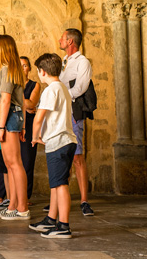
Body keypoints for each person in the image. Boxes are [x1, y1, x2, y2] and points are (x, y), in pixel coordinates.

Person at [29, 53, 78, 239]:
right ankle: (51, 219)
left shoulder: (50, 90)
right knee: (56, 183)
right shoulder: (62, 88)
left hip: (58, 141)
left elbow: (39, 117)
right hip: (67, 140)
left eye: (37, 72)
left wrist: (35, 136)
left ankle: (64, 225)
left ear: (42, 72)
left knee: (60, 184)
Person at [0, 35, 30, 221]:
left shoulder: (7, 69)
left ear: (3, 49)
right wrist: (22, 126)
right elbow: (21, 100)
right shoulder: (12, 70)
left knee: (15, 164)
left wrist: (1, 127)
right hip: (13, 116)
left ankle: (22, 208)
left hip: (8, 116)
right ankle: (12, 206)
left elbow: (6, 100)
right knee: (9, 165)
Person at [58, 28, 95, 216]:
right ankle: (60, 200)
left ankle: (84, 201)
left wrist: (62, 96)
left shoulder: (83, 62)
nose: (59, 40)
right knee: (62, 156)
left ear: (70, 41)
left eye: (62, 38)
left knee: (77, 157)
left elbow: (80, 87)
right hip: (60, 113)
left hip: (73, 111)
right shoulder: (64, 61)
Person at [20, 56, 41, 203]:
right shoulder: (13, 84)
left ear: (29, 69)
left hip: (29, 125)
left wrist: (18, 100)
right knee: (14, 161)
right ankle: (14, 195)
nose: (22, 68)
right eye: (19, 65)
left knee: (27, 161)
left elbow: (32, 102)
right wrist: (25, 106)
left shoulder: (35, 85)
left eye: (25, 65)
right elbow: (26, 105)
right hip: (16, 124)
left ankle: (26, 196)